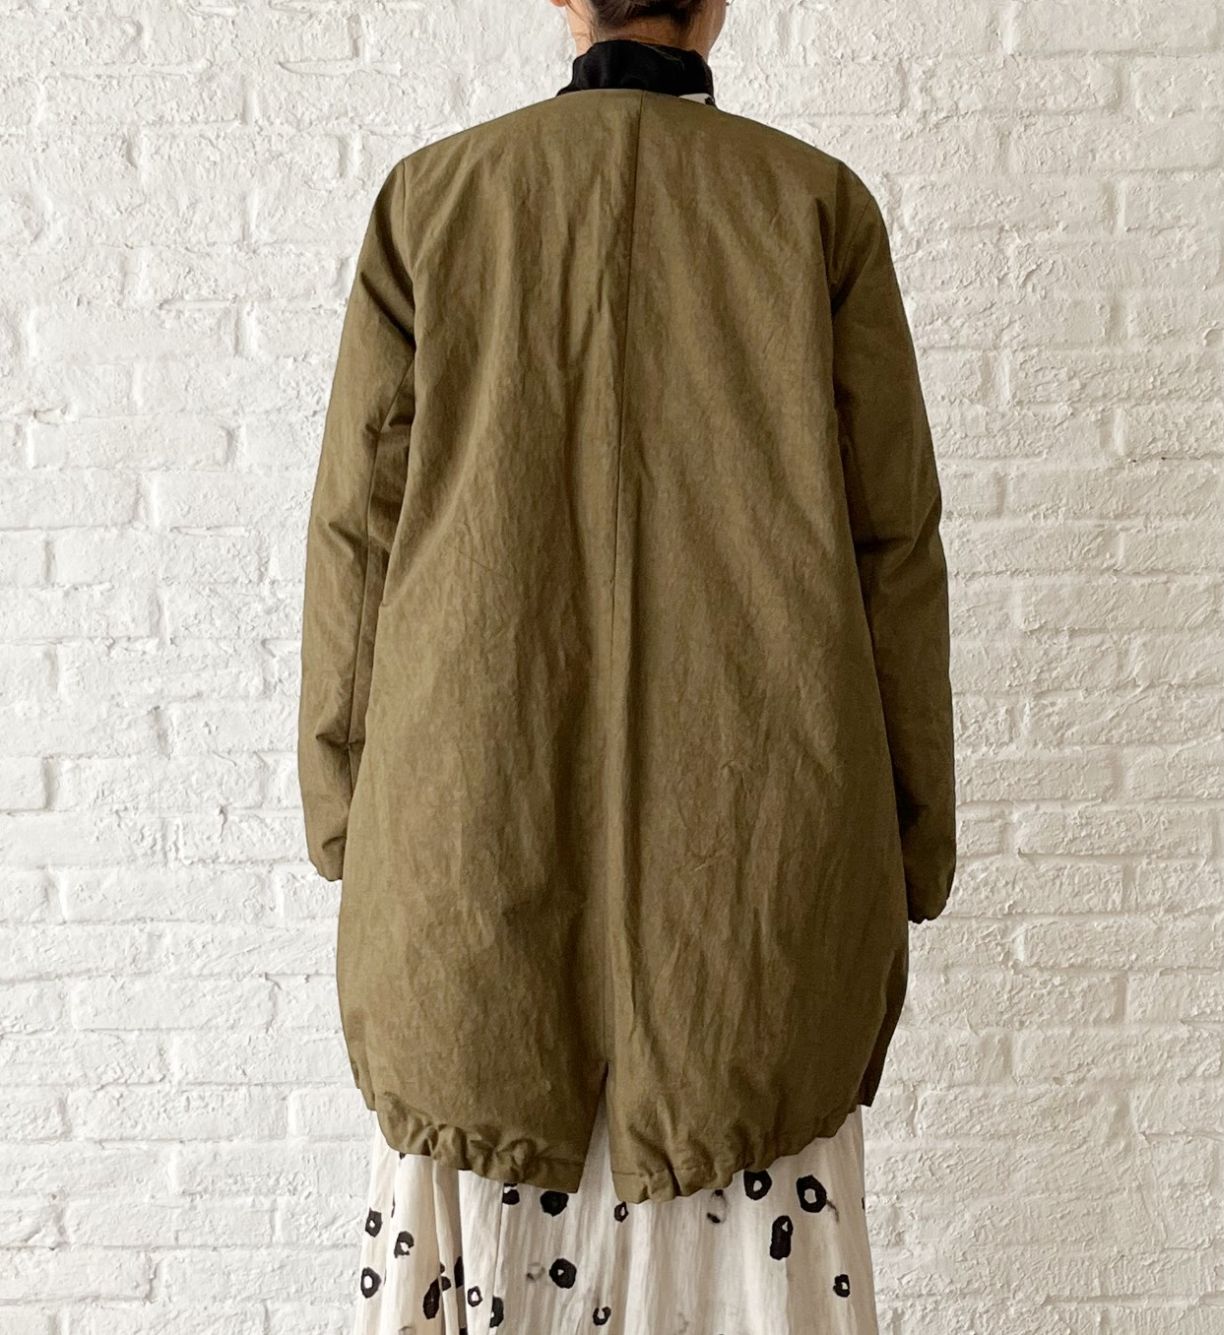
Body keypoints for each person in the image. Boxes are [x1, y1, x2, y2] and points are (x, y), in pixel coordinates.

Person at [296, 1, 956, 1330]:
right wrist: (912, 841)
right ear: (716, 3)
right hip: (757, 906)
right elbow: (895, 548)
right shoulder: (813, 207)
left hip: (469, 872)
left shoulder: (434, 202)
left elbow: (357, 536)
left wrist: (347, 819)